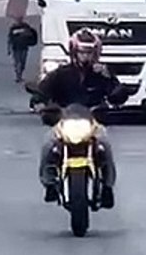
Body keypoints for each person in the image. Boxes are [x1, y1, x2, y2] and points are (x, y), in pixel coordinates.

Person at [37, 29, 124, 208]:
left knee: (105, 145)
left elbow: (116, 92)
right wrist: (39, 101)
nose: (85, 56)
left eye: (89, 52)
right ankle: (49, 183)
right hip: (64, 121)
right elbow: (43, 89)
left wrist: (118, 93)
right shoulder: (61, 73)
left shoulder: (102, 74)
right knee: (48, 144)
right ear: (74, 52)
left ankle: (107, 188)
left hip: (93, 122)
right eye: (82, 52)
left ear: (96, 53)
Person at [7, 14, 39, 83]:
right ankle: (18, 76)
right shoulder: (13, 28)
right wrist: (9, 49)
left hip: (24, 47)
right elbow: (10, 39)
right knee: (17, 62)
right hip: (16, 48)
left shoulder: (26, 26)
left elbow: (31, 34)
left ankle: (20, 74)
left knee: (22, 63)